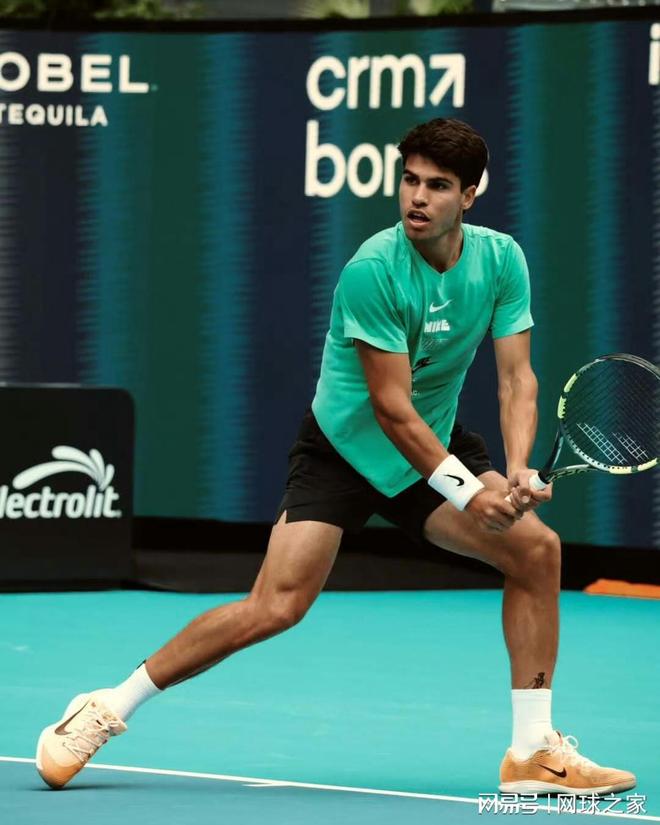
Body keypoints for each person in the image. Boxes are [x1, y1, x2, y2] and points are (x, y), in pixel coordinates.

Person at [36, 118, 635, 796]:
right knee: (276, 606)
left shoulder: (501, 260)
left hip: (433, 440)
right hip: (344, 450)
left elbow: (516, 379)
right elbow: (391, 408)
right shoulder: (372, 270)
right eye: (410, 180)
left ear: (470, 195)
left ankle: (531, 752)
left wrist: (519, 468)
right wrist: (470, 492)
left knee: (537, 551)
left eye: (438, 186)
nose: (417, 197)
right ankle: (106, 705)